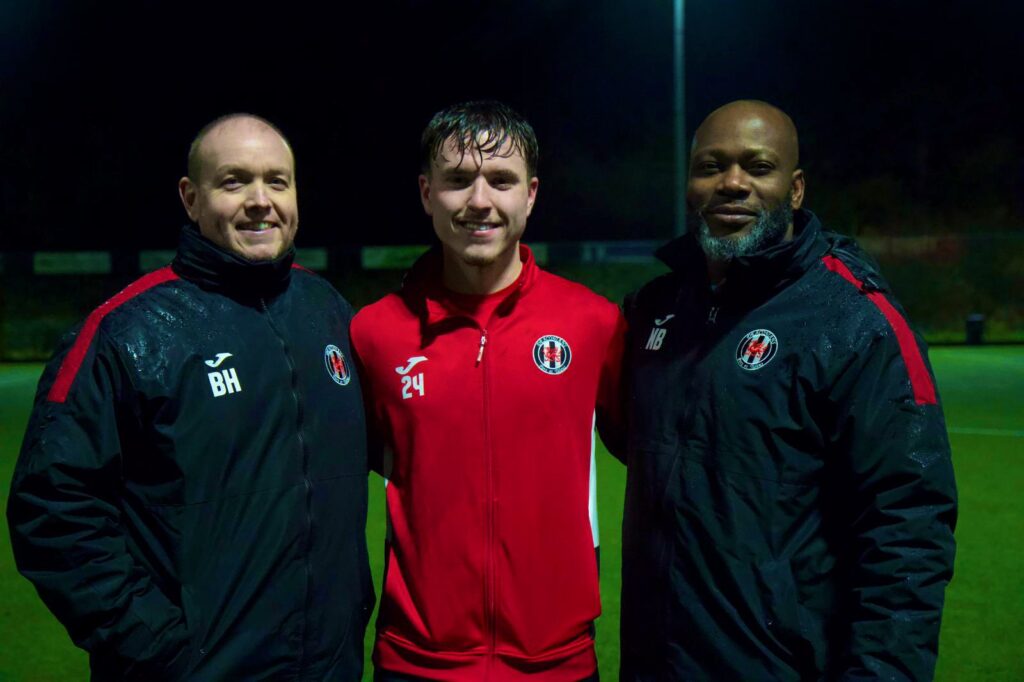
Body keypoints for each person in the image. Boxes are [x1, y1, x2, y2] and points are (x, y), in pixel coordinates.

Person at [7, 114, 374, 680]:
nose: (260, 200)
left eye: (277, 181)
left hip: (330, 665)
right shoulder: (124, 332)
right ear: (191, 197)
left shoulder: (327, 311)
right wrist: (159, 648)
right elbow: (52, 511)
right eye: (234, 181)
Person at [619, 100, 958, 681]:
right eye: (711, 166)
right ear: (689, 185)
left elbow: (909, 525)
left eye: (758, 166)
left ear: (795, 189)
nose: (732, 182)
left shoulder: (855, 320)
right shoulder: (655, 308)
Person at [350, 101, 625, 681]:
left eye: (501, 180)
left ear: (530, 194)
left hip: (556, 663)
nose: (480, 201)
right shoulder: (374, 333)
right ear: (427, 193)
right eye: (457, 180)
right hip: (417, 662)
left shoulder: (593, 323)